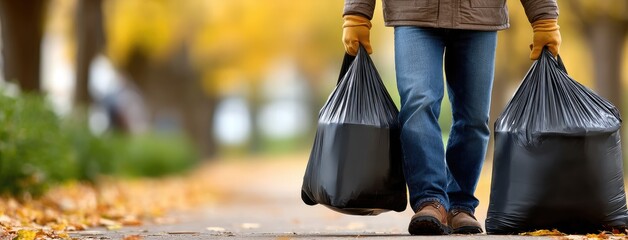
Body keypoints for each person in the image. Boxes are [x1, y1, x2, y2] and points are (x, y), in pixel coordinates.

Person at [341, 0, 561, 235]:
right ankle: (430, 200)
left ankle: (460, 204)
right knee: (418, 102)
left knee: (474, 117)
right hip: (414, 12)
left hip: (479, 14)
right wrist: (357, 12)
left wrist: (544, 16)